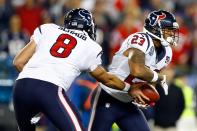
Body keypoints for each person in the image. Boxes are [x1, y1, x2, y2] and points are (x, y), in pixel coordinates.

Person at [12, 8, 142, 131]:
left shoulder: (48, 29)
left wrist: (33, 90)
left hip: (21, 87)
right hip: (50, 90)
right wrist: (129, 88)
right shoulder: (91, 46)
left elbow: (18, 62)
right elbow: (106, 79)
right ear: (89, 26)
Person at [88, 10, 179, 131]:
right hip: (109, 95)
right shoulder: (140, 39)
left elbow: (148, 78)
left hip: (128, 101)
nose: (171, 33)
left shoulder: (167, 52)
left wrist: (146, 93)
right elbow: (137, 70)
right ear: (155, 28)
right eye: (168, 29)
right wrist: (159, 78)